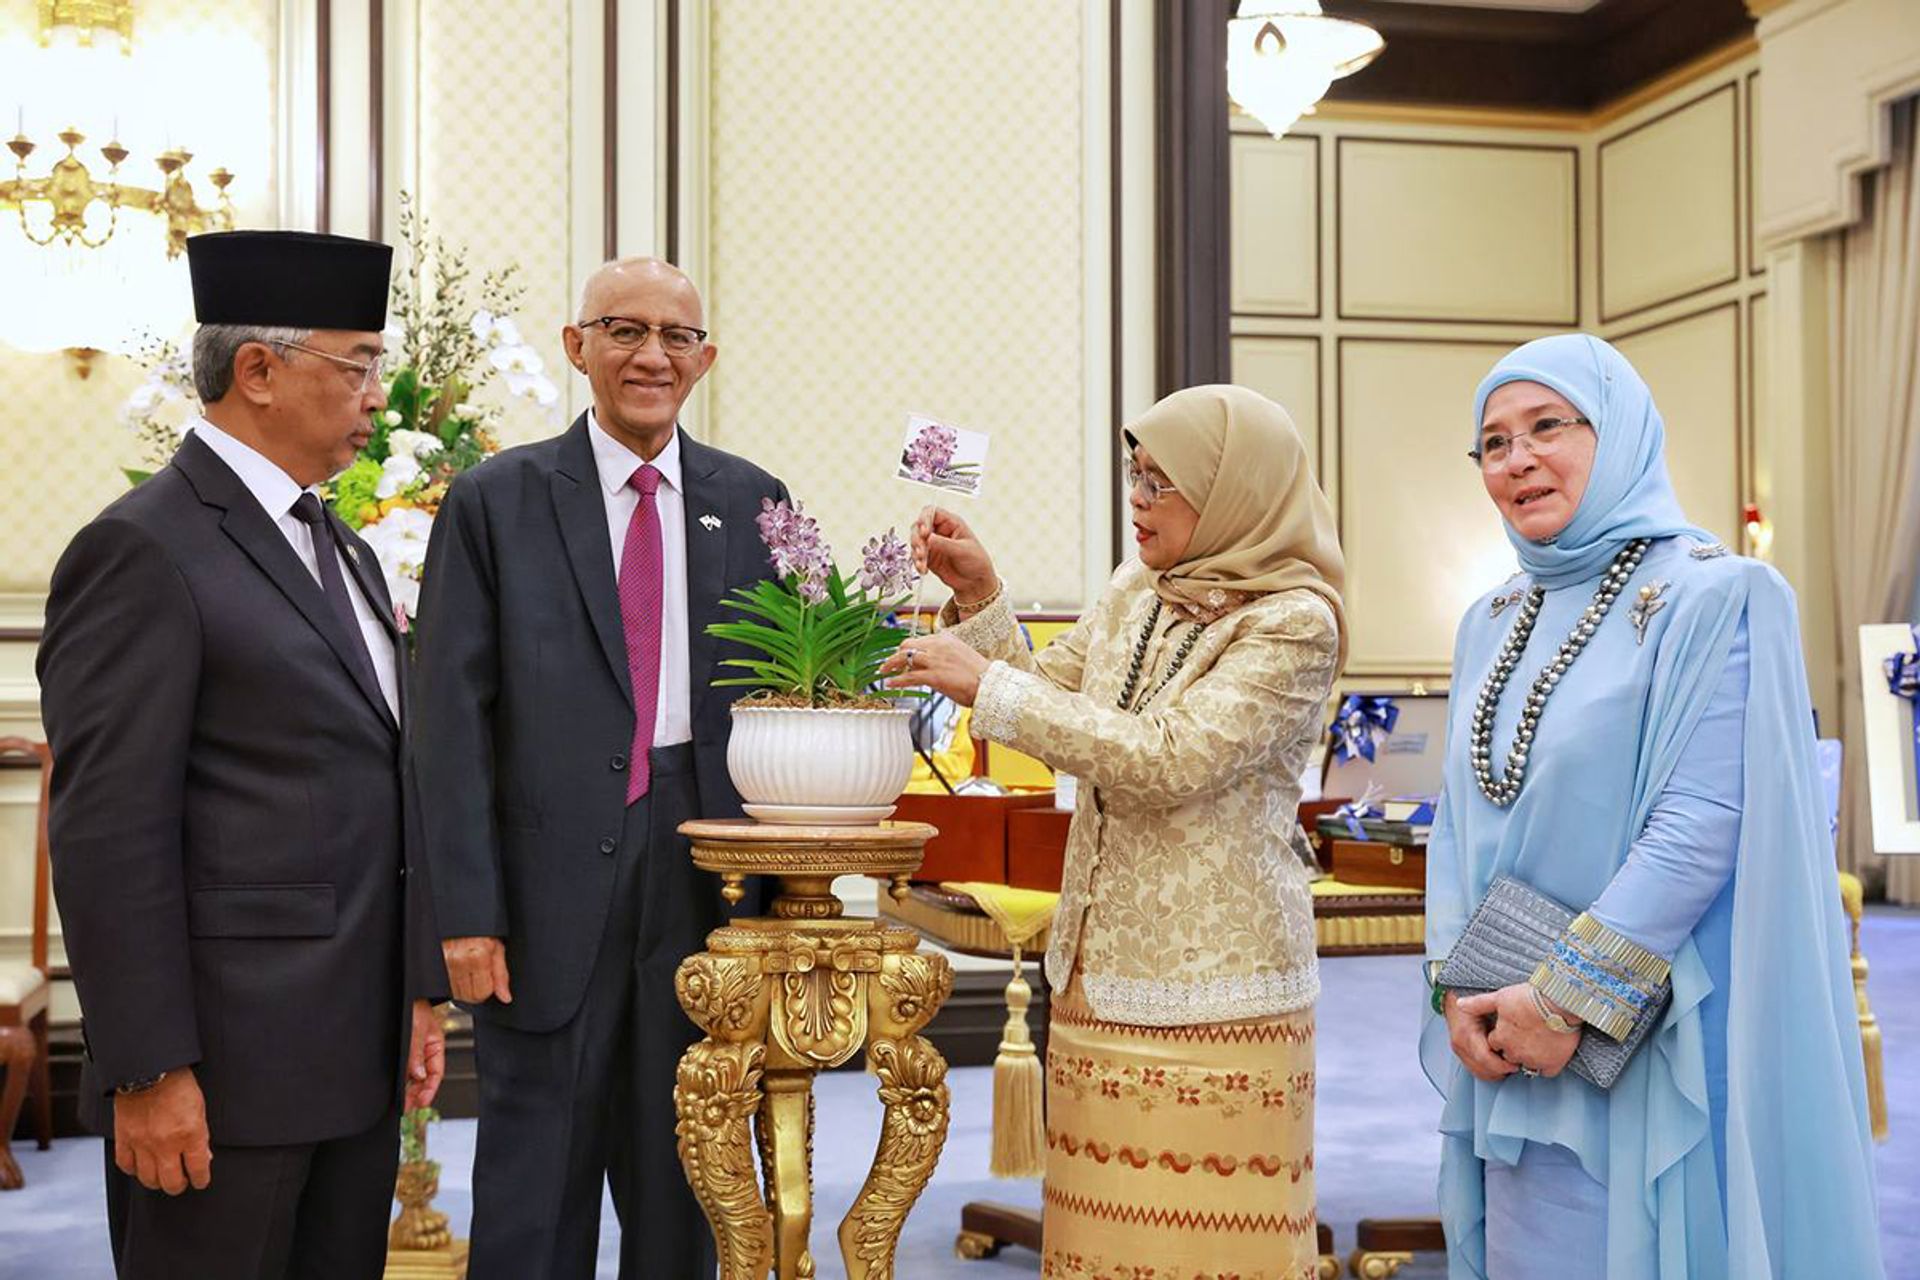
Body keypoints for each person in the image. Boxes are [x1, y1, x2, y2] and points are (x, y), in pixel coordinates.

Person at [1423, 334, 1884, 1278]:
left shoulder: (1718, 596)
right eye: (1494, 443)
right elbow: (1459, 817)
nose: (1518, 460)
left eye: (1547, 427)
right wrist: (1457, 991)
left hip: (1645, 1022)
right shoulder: (1492, 619)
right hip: (1505, 1018)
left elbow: (1698, 826)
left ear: (1619, 429)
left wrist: (1564, 999)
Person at [37, 230, 448, 1279]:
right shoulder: (144, 546)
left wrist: (413, 992)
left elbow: (376, 782)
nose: (376, 391)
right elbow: (107, 829)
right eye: (357, 363)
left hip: (348, 1063)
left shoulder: (341, 543)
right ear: (258, 371)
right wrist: (146, 1069)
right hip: (220, 1075)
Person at [887, 384, 1346, 1278]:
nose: (1136, 502)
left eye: (1160, 485)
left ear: (1233, 493)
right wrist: (981, 591)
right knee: (1102, 1240)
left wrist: (986, 685)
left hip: (1216, 986)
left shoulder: (1294, 621)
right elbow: (1051, 696)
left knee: (1209, 1246)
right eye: (1134, 477)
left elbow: (1170, 758)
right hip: (1097, 971)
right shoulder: (1137, 588)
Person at [412, 257, 790, 1279]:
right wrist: (464, 912)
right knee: (536, 1184)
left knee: (689, 1172)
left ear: (705, 359)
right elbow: (447, 720)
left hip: (703, 868)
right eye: (624, 329)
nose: (652, 355)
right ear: (576, 346)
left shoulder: (753, 501)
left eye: (676, 336)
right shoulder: (497, 499)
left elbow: (789, 696)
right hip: (542, 886)